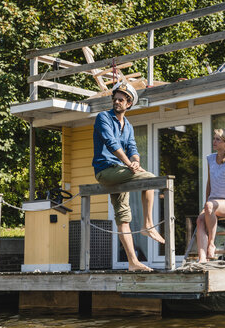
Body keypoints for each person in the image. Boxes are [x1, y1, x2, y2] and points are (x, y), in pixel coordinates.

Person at [92, 81, 164, 272]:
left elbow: (132, 147)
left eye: (121, 100)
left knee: (123, 217)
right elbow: (111, 143)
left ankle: (133, 263)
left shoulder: (129, 126)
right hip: (106, 171)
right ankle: (148, 224)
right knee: (150, 179)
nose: (116, 102)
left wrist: (136, 162)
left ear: (129, 103)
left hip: (120, 173)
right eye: (115, 99)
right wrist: (128, 164)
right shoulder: (103, 117)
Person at [196, 129, 225, 263]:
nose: (214, 142)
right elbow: (209, 183)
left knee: (210, 206)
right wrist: (206, 204)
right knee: (200, 220)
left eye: (218, 139)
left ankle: (211, 243)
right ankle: (202, 259)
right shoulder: (210, 159)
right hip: (212, 202)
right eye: (214, 138)